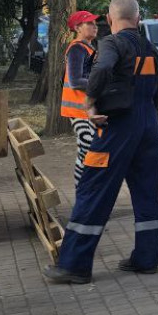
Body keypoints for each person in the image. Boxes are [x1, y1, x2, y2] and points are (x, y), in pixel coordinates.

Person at [44, 0, 158, 284]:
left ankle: (74, 266)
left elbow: (102, 69)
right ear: (137, 18)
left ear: (110, 19)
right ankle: (146, 259)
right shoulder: (151, 49)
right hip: (148, 127)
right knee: (147, 194)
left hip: (117, 126)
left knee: (93, 188)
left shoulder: (112, 43)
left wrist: (90, 103)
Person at [60, 10, 99, 188]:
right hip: (79, 110)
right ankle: (83, 193)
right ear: (77, 28)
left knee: (88, 152)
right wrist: (102, 83)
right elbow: (76, 81)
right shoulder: (77, 48)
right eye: (89, 23)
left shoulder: (87, 48)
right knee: (87, 152)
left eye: (95, 23)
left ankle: (85, 192)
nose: (94, 26)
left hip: (85, 109)